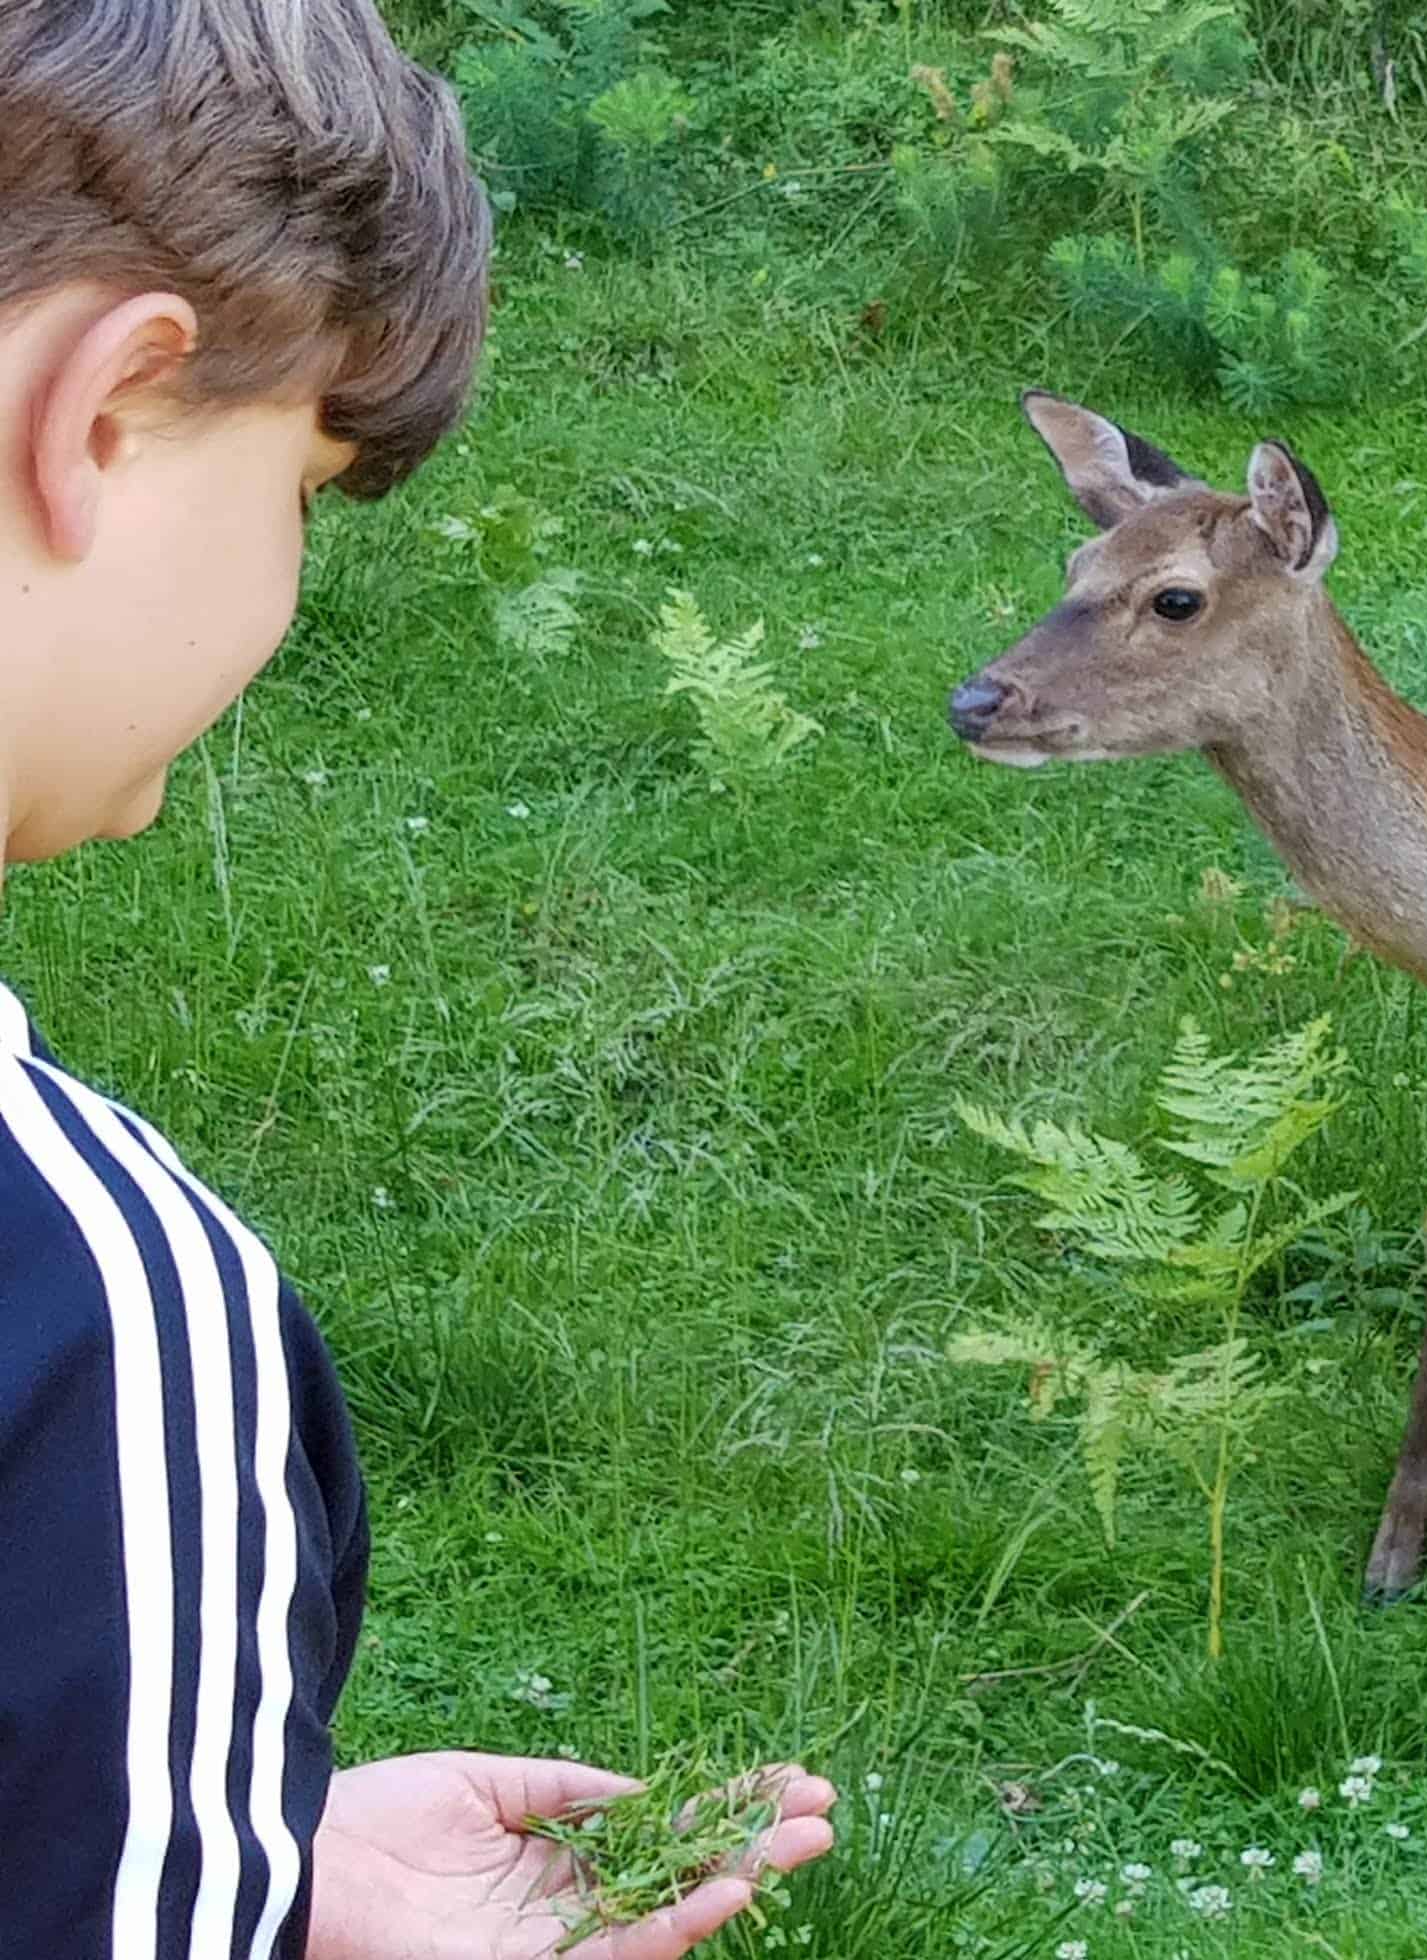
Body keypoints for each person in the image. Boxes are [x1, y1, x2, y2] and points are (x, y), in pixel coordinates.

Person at [1, 2, 838, 1953]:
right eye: (295, 491)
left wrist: (192, 1828)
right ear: (104, 410)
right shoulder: (99, 1311)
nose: (279, 602)